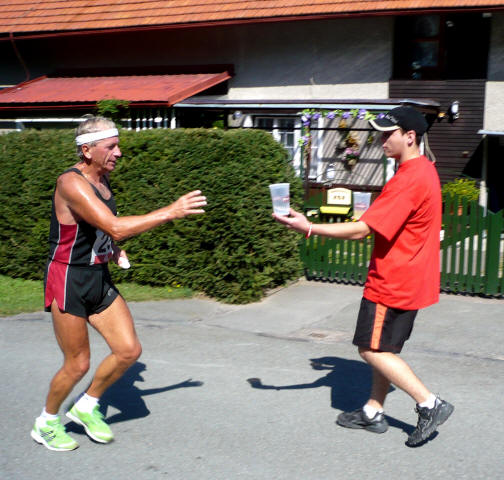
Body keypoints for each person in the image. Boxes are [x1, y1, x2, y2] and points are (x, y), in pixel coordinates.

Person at [273, 106, 454, 447]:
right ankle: (373, 411)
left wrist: (308, 227)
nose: (381, 140)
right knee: (384, 348)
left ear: (410, 137)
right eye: (379, 134)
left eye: (388, 134)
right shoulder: (425, 170)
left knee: (370, 349)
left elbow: (361, 230)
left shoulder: (408, 178)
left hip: (392, 281)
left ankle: (430, 404)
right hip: (410, 278)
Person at [31, 116, 207, 451]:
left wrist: (109, 249)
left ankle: (85, 406)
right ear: (87, 150)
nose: (119, 153)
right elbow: (115, 226)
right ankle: (46, 422)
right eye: (111, 147)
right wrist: (171, 211)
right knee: (77, 363)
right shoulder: (70, 183)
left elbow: (96, 228)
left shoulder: (102, 180)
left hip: (98, 276)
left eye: (118, 145)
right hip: (68, 279)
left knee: (128, 351)